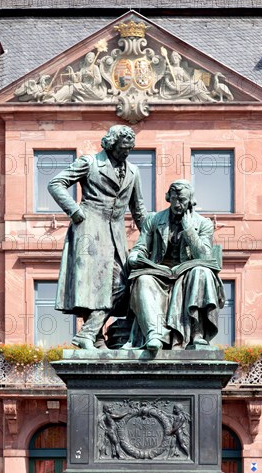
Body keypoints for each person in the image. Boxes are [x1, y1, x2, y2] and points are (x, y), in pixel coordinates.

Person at [48, 125, 147, 349]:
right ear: (112, 145)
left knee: (122, 284)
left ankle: (88, 333)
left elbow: (139, 209)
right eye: (123, 148)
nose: (126, 153)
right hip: (89, 230)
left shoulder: (133, 171)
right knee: (91, 285)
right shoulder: (90, 163)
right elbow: (56, 183)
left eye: (130, 149)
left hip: (116, 234)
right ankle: (97, 337)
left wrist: (151, 236)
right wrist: (75, 211)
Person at [126, 179, 225, 351]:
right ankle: (154, 334)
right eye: (174, 199)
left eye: (183, 200)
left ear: (191, 201)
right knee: (143, 279)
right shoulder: (154, 220)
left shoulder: (204, 224)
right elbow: (140, 247)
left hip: (188, 276)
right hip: (159, 274)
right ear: (168, 198)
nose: (178, 204)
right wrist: (135, 256)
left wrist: (189, 232)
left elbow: (205, 256)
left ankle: (197, 334)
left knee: (201, 271)